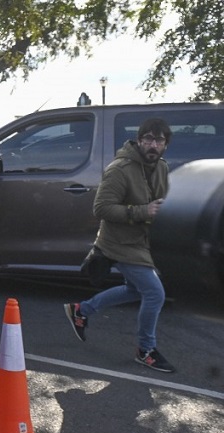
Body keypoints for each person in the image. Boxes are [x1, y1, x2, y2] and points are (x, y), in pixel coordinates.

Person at [64, 118, 175, 372]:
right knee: (155, 293)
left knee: (137, 290)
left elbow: (161, 201)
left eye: (158, 140)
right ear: (139, 140)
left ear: (165, 145)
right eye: (148, 138)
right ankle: (145, 349)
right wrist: (142, 210)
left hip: (143, 241)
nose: (152, 145)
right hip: (119, 242)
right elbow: (100, 208)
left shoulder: (162, 168)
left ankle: (81, 310)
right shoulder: (120, 169)